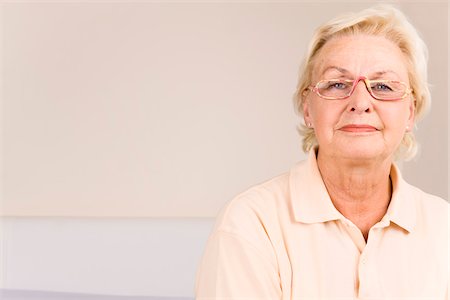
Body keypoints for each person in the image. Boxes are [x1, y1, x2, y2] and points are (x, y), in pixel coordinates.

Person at [195, 5, 449, 299]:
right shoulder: (251, 224)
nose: (360, 102)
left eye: (383, 86)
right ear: (307, 108)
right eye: (337, 84)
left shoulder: (444, 227)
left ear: (410, 112)